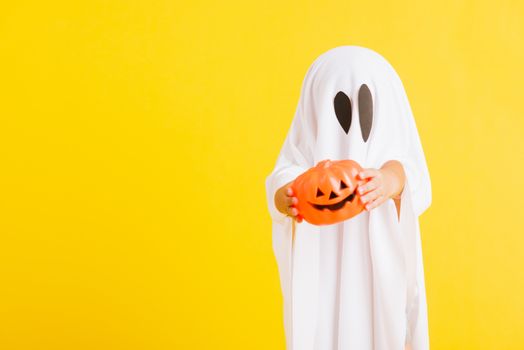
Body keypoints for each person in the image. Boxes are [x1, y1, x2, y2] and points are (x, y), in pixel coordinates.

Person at [265, 46, 432, 350]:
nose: (351, 131)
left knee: (382, 327)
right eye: (338, 108)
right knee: (322, 328)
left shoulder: (391, 159)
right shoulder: (304, 159)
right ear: (315, 110)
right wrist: (285, 197)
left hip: (375, 267)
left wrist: (389, 181)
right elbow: (283, 176)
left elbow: (410, 176)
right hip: (323, 262)